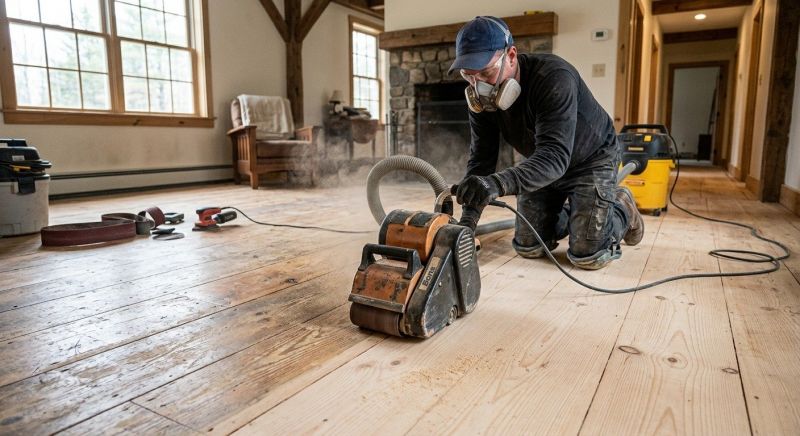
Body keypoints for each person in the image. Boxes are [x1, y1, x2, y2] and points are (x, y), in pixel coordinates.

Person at [449, 16, 644, 270]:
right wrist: (467, 224)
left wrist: (496, 183)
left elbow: (555, 157)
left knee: (587, 254)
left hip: (591, 159)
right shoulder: (480, 98)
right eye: (468, 75)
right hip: (542, 163)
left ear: (511, 55)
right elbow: (482, 158)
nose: (478, 86)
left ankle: (622, 208)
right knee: (529, 245)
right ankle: (579, 212)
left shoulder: (553, 77)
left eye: (485, 72)